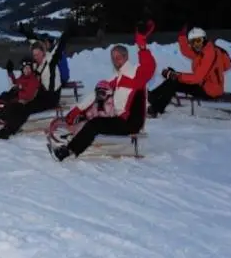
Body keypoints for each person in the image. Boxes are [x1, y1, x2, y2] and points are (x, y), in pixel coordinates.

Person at [50, 21, 157, 161]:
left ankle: (68, 150)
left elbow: (149, 67)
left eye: (119, 57)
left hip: (130, 122)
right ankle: (76, 135)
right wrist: (76, 109)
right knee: (92, 113)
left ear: (126, 57)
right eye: (113, 58)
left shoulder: (136, 74)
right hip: (118, 117)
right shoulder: (117, 78)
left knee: (96, 123)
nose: (116, 61)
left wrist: (141, 43)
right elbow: (96, 93)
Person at [0, 33, 67, 139]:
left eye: (38, 54)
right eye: (34, 55)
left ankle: (9, 130)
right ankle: (7, 116)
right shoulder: (37, 63)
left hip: (51, 97)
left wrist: (66, 34)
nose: (36, 57)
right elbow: (35, 43)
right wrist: (27, 33)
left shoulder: (50, 62)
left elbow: (58, 48)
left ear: (43, 52)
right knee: (18, 99)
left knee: (26, 107)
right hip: (41, 92)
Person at [147, 26, 231, 117]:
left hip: (211, 90)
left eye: (198, 41)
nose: (196, 44)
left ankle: (155, 108)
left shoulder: (209, 54)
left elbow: (197, 78)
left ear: (204, 39)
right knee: (173, 80)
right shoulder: (203, 50)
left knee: (174, 81)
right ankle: (153, 97)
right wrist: (182, 36)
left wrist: (176, 75)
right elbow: (186, 51)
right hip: (204, 84)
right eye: (193, 42)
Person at [0, 56, 41, 125]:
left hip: (26, 101)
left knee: (11, 103)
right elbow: (15, 82)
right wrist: (10, 72)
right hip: (19, 97)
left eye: (28, 68)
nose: (27, 70)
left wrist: (19, 90)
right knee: (5, 95)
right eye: (25, 68)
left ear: (32, 69)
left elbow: (29, 94)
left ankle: (5, 117)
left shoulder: (33, 80)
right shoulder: (23, 77)